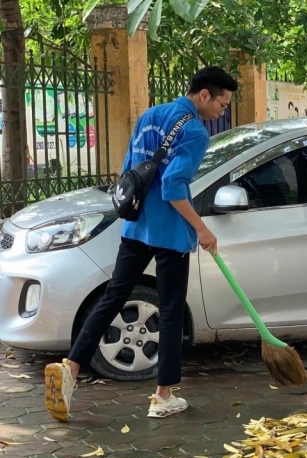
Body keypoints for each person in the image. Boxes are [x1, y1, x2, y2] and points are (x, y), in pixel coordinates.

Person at [44, 66, 239, 422]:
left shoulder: (151, 115)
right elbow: (173, 187)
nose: (222, 112)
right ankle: (163, 395)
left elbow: (130, 169)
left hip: (137, 226)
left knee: (113, 296)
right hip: (170, 234)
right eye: (222, 104)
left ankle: (71, 368)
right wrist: (202, 229)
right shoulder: (195, 131)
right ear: (205, 95)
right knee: (170, 311)